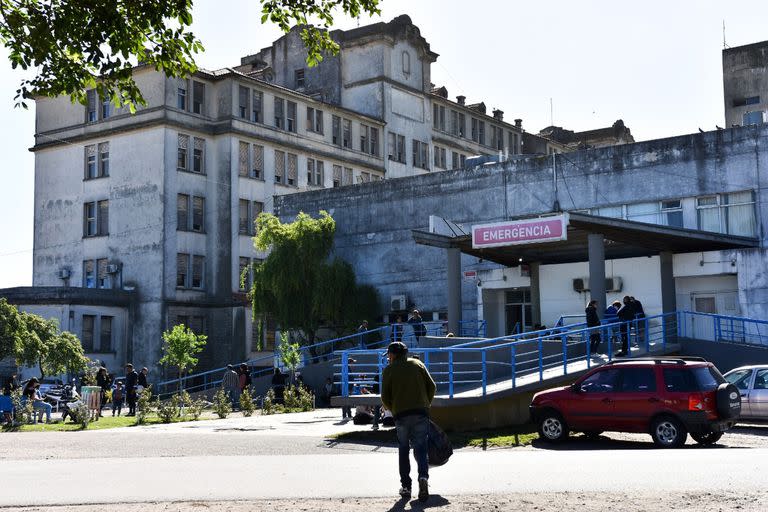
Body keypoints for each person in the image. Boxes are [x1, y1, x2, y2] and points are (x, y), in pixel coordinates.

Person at [382, 341, 436, 503]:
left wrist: (395, 409)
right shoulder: (417, 364)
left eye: (389, 355)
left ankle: (406, 487)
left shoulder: (389, 370)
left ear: (393, 355)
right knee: (421, 448)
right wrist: (426, 404)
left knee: (403, 449)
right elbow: (432, 386)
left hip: (401, 415)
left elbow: (385, 397)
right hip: (421, 412)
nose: (388, 358)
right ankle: (423, 477)